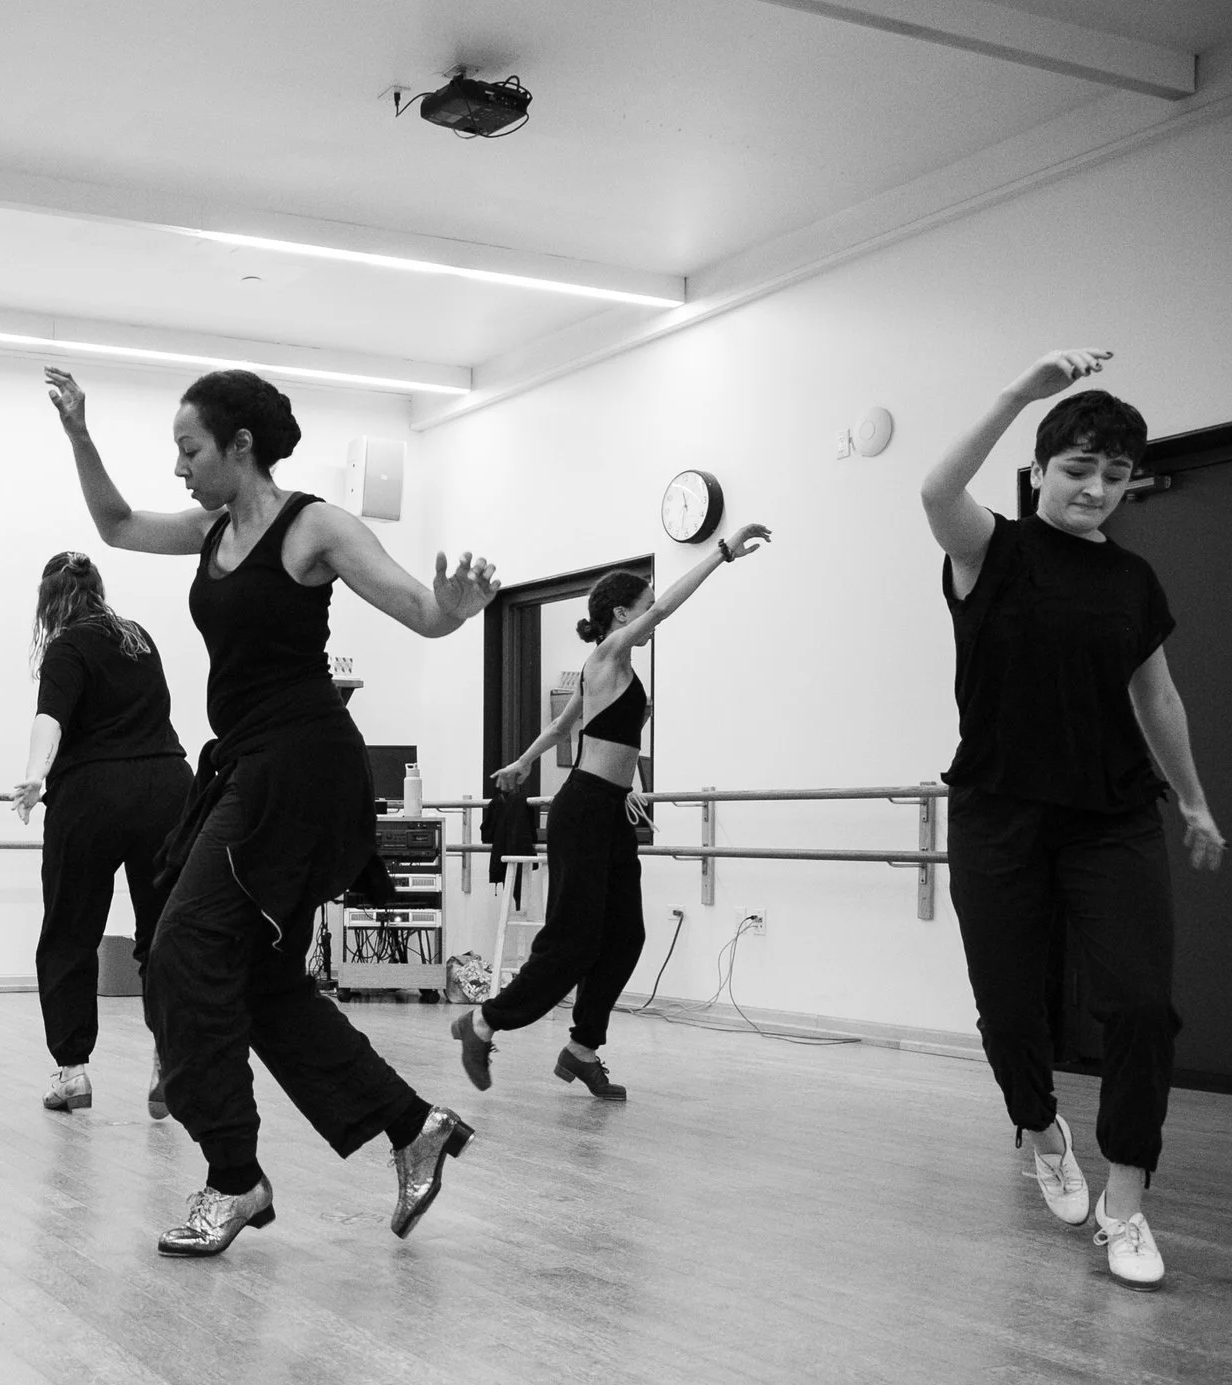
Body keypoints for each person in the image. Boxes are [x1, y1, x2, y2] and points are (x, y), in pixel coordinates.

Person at [44, 364, 497, 1256]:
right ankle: (412, 1126)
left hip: (302, 771)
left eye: (190, 449)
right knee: (260, 980)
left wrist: (452, 609)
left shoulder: (314, 527)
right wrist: (79, 433)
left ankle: (234, 1177)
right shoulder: (213, 528)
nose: (179, 467)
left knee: (181, 947)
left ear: (239, 445)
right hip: (247, 766)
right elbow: (116, 524)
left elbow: (421, 609)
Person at [920, 349, 1222, 1291]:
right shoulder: (991, 550)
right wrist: (1018, 392)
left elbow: (1157, 697)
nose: (1096, 488)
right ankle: (1041, 1129)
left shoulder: (1133, 581)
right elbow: (935, 488)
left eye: (1115, 474)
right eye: (1078, 468)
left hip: (1111, 814)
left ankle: (1125, 1204)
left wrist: (1194, 799)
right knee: (1011, 1007)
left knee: (1140, 1004)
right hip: (999, 812)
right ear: (1041, 469)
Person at [453, 527, 768, 1101]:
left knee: (625, 935)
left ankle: (581, 1049)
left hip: (609, 812)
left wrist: (522, 763)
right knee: (572, 942)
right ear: (622, 615)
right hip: (585, 810)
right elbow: (666, 609)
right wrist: (722, 553)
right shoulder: (608, 654)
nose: (651, 613)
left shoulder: (602, 668)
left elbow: (560, 727)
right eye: (643, 606)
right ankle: (482, 1023)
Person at [11, 552, 192, 1115]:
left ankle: (72, 1074)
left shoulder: (66, 645)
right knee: (163, 932)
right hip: (167, 787)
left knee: (69, 930)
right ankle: (170, 1052)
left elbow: (50, 717)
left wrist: (36, 775)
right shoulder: (138, 638)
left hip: (92, 794)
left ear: (49, 601)